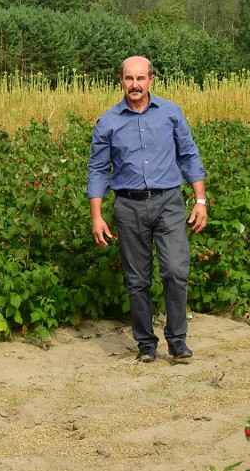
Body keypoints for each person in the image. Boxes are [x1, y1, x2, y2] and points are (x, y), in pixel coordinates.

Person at [87, 55, 207, 363]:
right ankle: (146, 344)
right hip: (128, 207)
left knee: (175, 271)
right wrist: (97, 216)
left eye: (141, 78)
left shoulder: (170, 113)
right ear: (121, 81)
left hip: (168, 202)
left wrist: (200, 200)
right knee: (137, 279)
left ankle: (178, 340)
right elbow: (98, 170)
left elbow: (189, 155)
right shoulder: (109, 121)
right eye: (129, 78)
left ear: (151, 80)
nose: (135, 84)